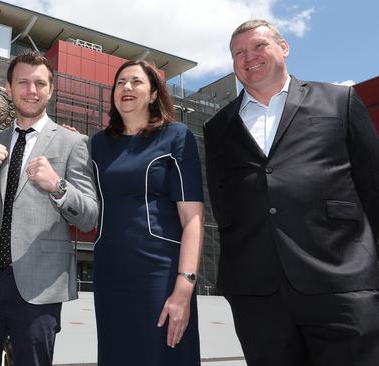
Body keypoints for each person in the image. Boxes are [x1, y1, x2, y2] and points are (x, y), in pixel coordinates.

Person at [204, 19, 379, 366]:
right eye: (238, 52)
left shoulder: (339, 101)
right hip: (258, 294)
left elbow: (372, 187)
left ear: (283, 48)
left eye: (258, 46)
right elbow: (223, 204)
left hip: (341, 284)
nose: (248, 57)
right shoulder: (217, 128)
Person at [0, 51, 98, 366]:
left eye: (39, 83)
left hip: (39, 284)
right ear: (9, 89)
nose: (31, 90)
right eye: (23, 82)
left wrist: (57, 185)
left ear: (51, 90)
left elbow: (90, 215)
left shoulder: (72, 143)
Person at [90, 60, 204, 366]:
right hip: (110, 271)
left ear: (153, 94)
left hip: (159, 273)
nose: (126, 87)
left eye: (136, 82)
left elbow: (192, 219)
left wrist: (184, 286)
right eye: (120, 82)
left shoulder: (176, 136)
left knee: (163, 355)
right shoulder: (98, 143)